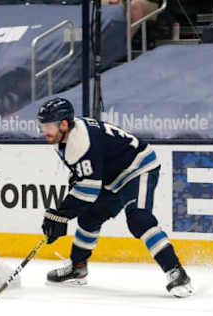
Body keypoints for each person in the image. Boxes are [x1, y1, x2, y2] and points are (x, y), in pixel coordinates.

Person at [37, 97, 194, 298]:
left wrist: (60, 215)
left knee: (139, 219)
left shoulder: (80, 141)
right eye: (42, 126)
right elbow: (87, 173)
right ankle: (78, 268)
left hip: (138, 168)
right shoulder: (62, 137)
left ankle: (176, 272)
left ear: (64, 124)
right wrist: (63, 212)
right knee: (90, 217)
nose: (44, 131)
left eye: (48, 126)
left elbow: (88, 191)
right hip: (112, 176)